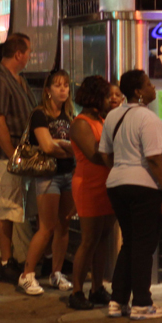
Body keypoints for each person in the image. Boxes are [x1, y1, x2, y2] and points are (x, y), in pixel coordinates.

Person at [100, 70, 162, 320]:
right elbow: (154, 158)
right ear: (139, 92)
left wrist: (120, 170)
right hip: (144, 187)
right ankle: (142, 302)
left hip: (117, 185)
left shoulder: (112, 116)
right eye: (149, 84)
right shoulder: (148, 118)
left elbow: (105, 153)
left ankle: (117, 300)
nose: (154, 88)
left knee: (130, 243)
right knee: (143, 245)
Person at [18, 69, 77, 296]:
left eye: (66, 85)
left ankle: (56, 272)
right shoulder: (39, 114)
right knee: (47, 227)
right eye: (57, 85)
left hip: (68, 174)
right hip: (48, 175)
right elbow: (47, 146)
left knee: (63, 226)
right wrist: (69, 151)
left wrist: (64, 149)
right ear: (48, 90)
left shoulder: (69, 114)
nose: (63, 89)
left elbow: (71, 144)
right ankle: (27, 274)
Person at [0, 33, 37, 283]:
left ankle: (14, 258)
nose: (29, 57)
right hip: (8, 155)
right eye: (28, 52)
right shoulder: (0, 81)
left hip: (22, 153)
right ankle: (6, 262)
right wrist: (12, 155)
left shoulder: (19, 79)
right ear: (18, 54)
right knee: (7, 208)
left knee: (17, 207)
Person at [67, 75, 117, 310]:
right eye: (107, 96)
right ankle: (77, 290)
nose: (110, 100)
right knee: (88, 240)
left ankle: (97, 288)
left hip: (105, 183)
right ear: (96, 97)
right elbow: (94, 154)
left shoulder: (101, 120)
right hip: (89, 184)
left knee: (102, 238)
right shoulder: (81, 123)